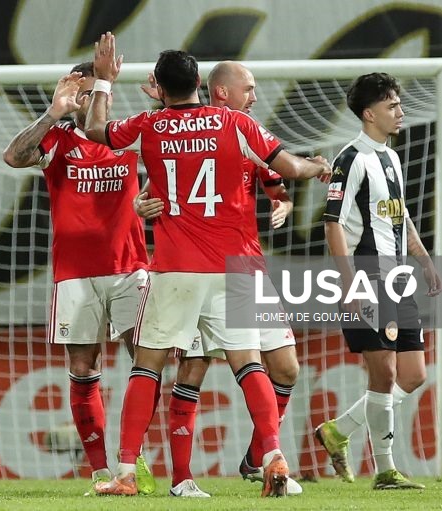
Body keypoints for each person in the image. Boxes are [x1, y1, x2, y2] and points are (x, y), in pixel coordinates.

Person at [85, 33, 330, 498]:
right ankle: (274, 457)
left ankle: (123, 473)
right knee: (248, 362)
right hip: (235, 265)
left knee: (148, 365)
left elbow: (96, 132)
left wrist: (103, 82)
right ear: (202, 82)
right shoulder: (236, 123)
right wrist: (316, 168)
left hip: (176, 267)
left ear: (158, 87)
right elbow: (290, 169)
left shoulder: (149, 126)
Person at [136, 61, 302, 495]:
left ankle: (259, 456)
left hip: (245, 268)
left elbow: (274, 179)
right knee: (194, 367)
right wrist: (141, 204)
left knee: (285, 367)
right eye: (249, 87)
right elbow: (157, 189)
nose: (256, 95)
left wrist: (282, 200)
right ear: (221, 92)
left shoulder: (244, 131)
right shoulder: (222, 128)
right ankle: (184, 477)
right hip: (208, 266)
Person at [2, 62, 156, 496]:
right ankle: (100, 471)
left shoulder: (127, 136)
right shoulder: (57, 138)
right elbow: (13, 157)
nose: (85, 101)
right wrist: (52, 112)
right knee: (82, 368)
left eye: (92, 93)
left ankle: (133, 457)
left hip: (130, 268)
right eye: (79, 93)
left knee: (147, 363)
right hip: (75, 274)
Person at [317, 72, 440, 489]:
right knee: (384, 373)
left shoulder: (391, 157)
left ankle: (337, 432)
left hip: (398, 276)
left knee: (413, 373)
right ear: (369, 114)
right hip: (366, 274)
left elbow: (398, 215)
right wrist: (349, 283)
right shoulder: (349, 159)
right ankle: (385, 470)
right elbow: (332, 225)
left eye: (399, 104)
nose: (401, 111)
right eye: (392, 106)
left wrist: (423, 261)